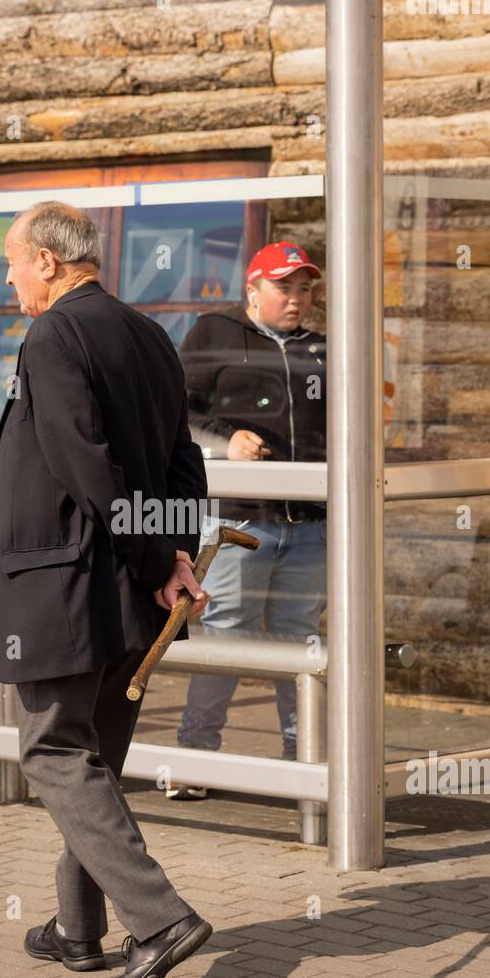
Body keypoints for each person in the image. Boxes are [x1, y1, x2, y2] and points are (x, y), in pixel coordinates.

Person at [0, 200, 213, 978]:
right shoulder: (148, 335)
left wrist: (157, 555)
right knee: (95, 762)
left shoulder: (54, 335)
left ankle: (156, 921)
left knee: (52, 752)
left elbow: (85, 467)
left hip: (65, 589)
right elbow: (183, 460)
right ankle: (78, 929)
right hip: (130, 595)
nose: (7, 277)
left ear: (47, 261)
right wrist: (172, 555)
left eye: (12, 261)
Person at [171, 241, 327, 796]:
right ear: (252, 290)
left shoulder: (323, 349)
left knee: (300, 641)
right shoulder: (214, 333)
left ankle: (302, 758)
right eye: (284, 287)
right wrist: (224, 442)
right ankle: (194, 761)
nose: (296, 298)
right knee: (225, 635)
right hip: (239, 521)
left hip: (311, 522)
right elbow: (174, 412)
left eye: (304, 288)